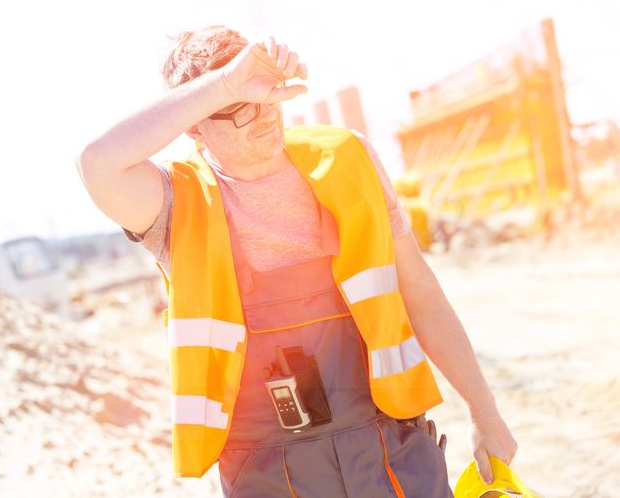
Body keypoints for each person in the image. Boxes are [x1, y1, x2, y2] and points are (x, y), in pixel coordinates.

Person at [76, 26, 517, 497]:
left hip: (389, 447)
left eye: (266, 93)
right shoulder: (175, 203)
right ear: (195, 123)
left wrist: (484, 412)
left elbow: (421, 294)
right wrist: (226, 83)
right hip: (266, 472)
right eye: (238, 105)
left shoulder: (347, 159)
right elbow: (98, 163)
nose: (263, 115)